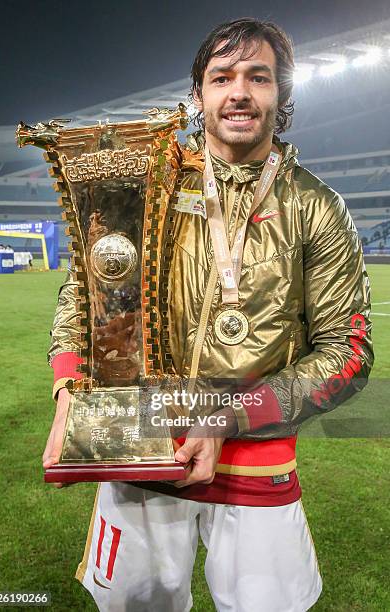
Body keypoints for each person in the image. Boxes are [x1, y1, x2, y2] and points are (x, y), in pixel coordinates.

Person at [43, 18, 373, 612]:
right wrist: (71, 385)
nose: (239, 91)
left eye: (258, 77)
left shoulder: (317, 208)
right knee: (138, 607)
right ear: (199, 94)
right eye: (221, 77)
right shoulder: (146, 187)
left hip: (255, 457)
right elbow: (85, 296)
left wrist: (226, 418)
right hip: (140, 444)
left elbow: (347, 356)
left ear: (282, 92)